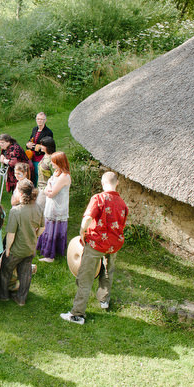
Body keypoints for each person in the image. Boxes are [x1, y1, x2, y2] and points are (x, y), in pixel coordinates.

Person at [61, 172, 128, 325]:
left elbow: (88, 218)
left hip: (96, 244)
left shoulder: (98, 198)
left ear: (102, 182)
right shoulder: (122, 203)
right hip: (114, 244)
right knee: (107, 270)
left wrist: (82, 231)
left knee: (85, 277)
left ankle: (77, 314)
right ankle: (104, 300)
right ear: (116, 183)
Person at [0, 180, 44, 306]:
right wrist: (34, 235)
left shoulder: (16, 211)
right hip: (30, 248)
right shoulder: (38, 207)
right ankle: (21, 299)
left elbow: (11, 234)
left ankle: (3, 296)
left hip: (16, 250)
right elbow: (42, 228)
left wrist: (7, 249)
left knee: (5, 270)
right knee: (25, 273)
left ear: (20, 193)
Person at [36, 151, 71, 263]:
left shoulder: (64, 177)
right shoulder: (57, 172)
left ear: (59, 162)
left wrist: (48, 189)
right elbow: (48, 188)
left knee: (52, 229)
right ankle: (45, 248)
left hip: (57, 207)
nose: (51, 164)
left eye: (53, 162)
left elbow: (51, 193)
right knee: (47, 226)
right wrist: (48, 189)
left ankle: (50, 255)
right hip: (51, 205)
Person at [25, 112, 53, 187]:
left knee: (38, 173)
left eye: (41, 119)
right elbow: (31, 140)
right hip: (32, 155)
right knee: (31, 173)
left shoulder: (48, 132)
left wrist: (34, 147)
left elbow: (47, 146)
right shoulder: (35, 129)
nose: (39, 121)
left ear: (45, 120)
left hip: (41, 156)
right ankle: (32, 189)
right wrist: (28, 144)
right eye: (38, 119)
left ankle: (39, 189)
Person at [35, 136, 56, 211]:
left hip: (46, 189)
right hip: (40, 187)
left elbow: (56, 176)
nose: (41, 146)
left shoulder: (52, 159)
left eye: (42, 145)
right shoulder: (45, 155)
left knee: (41, 209)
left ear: (48, 147)